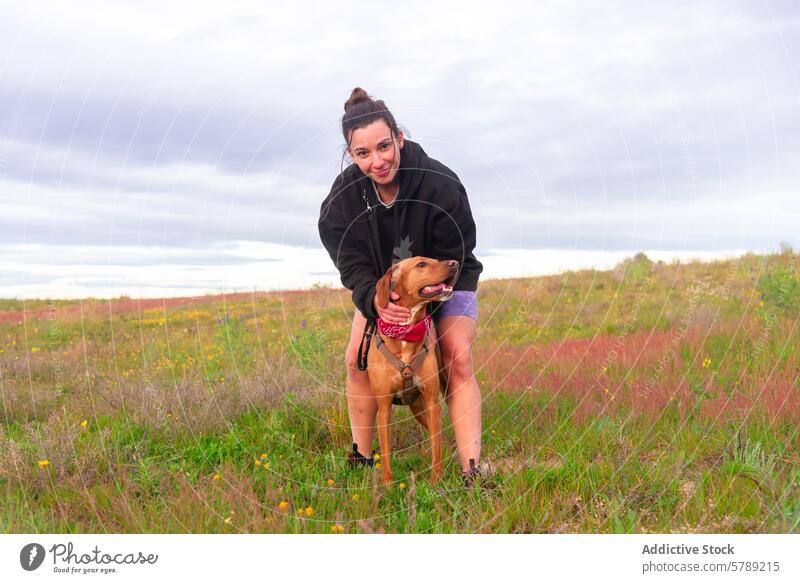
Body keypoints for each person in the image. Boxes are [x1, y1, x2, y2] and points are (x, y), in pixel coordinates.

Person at [318, 87, 483, 485]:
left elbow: (455, 252)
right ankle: (362, 459)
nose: (377, 161)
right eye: (363, 154)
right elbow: (349, 258)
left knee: (455, 358)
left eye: (384, 147)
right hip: (384, 289)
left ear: (399, 139)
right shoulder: (344, 198)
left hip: (446, 279)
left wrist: (425, 299)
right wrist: (374, 300)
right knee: (357, 361)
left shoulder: (438, 184)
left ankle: (471, 470)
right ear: (351, 155)